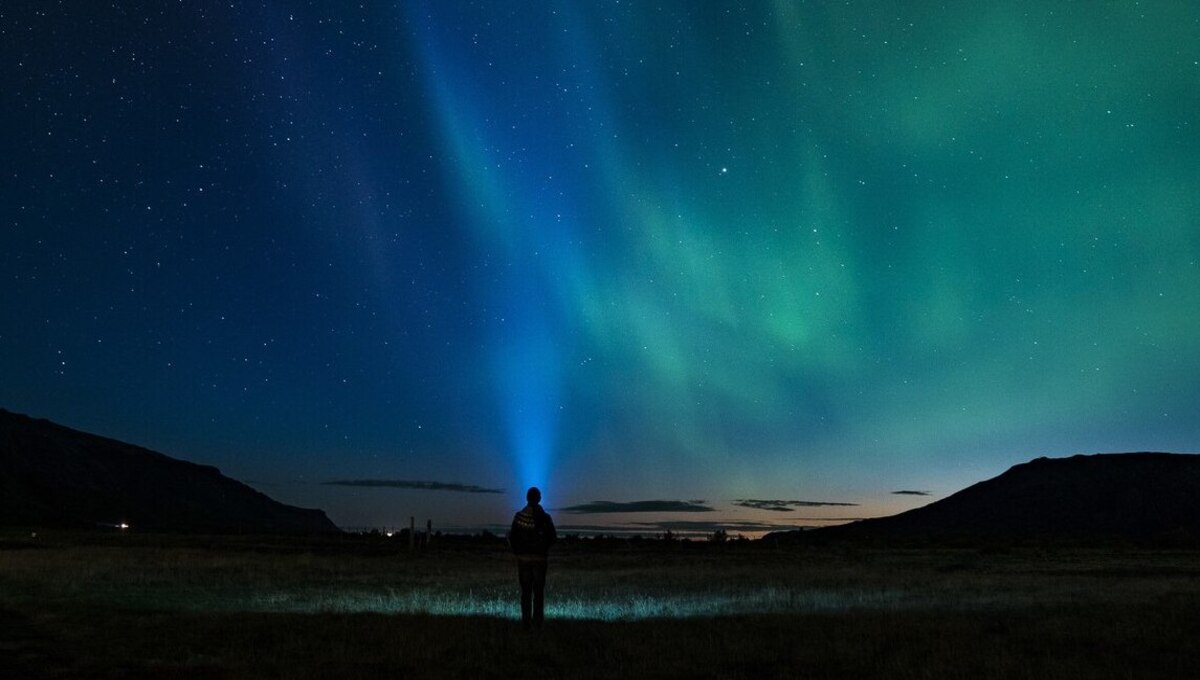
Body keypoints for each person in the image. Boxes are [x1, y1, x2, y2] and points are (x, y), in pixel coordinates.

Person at [510, 486, 557, 630]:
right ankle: (537, 624)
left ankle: (526, 624)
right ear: (539, 498)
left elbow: (512, 538)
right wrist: (543, 549)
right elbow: (553, 538)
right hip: (540, 560)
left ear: (527, 498)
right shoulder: (545, 518)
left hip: (523, 561)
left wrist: (519, 552)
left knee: (525, 593)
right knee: (538, 593)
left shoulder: (518, 517)